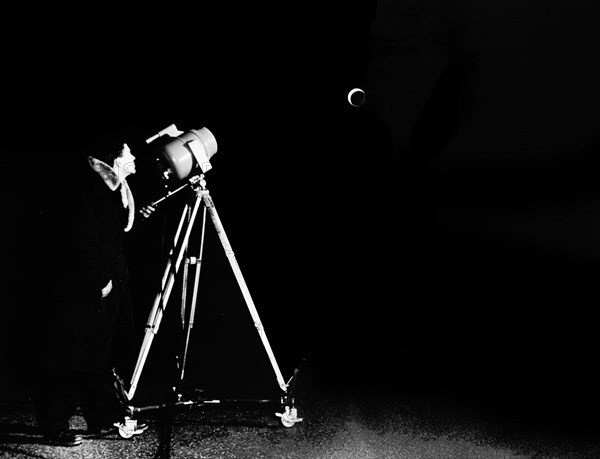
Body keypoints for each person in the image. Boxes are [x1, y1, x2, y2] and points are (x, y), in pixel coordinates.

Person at [36, 136, 154, 447]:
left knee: (103, 356)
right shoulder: (89, 189)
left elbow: (113, 235)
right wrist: (100, 281)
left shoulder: (116, 190)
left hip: (113, 283)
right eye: (128, 152)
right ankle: (53, 426)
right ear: (114, 158)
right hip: (91, 287)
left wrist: (138, 219)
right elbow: (83, 241)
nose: (133, 157)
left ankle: (104, 417)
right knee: (72, 357)